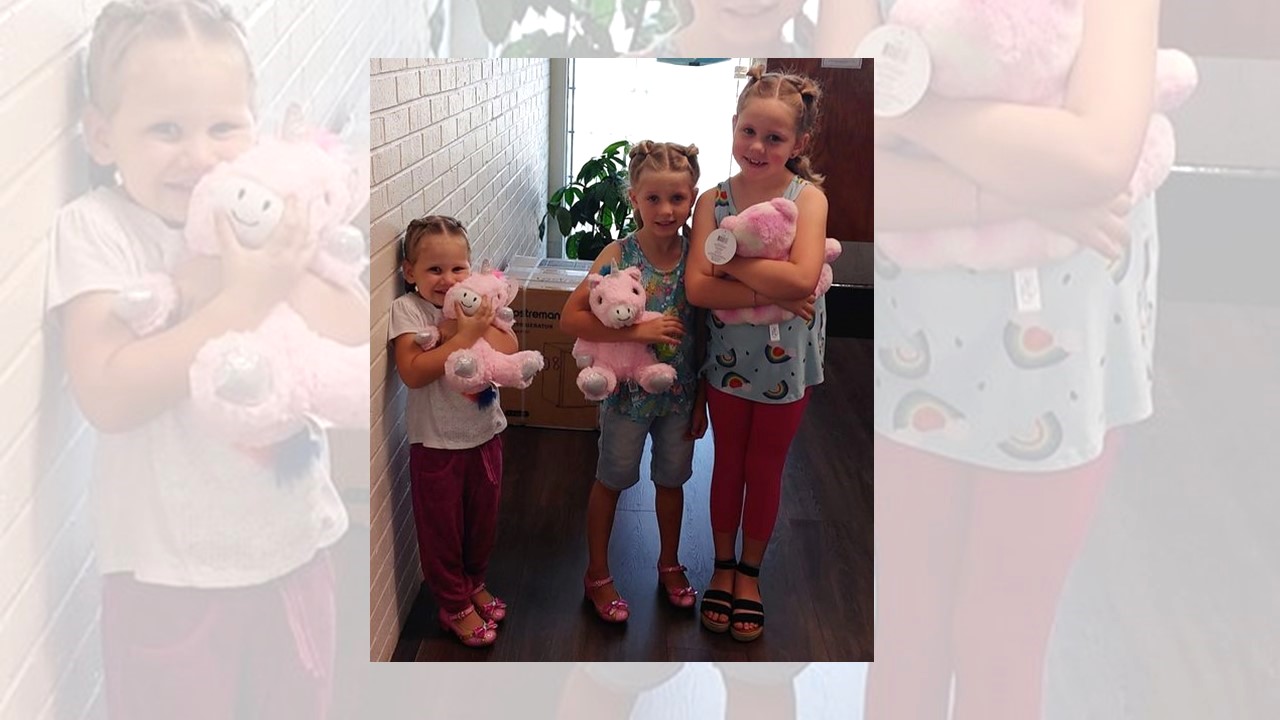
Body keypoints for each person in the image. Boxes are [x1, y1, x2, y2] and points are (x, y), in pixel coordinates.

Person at [44, 0, 366, 716]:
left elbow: (353, 332)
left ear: (254, 125)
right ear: (101, 135)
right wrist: (241, 295)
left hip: (294, 550)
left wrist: (277, 271)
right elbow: (108, 393)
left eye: (223, 127)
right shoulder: (99, 231)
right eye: (166, 129)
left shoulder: (268, 212)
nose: (199, 155)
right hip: (168, 580)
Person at [855, 0, 1162, 717]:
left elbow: (1097, 159)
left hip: (1061, 361)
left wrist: (906, 108)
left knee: (1002, 640)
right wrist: (1023, 187)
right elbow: (839, 156)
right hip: (903, 351)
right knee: (903, 634)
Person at [685, 64, 828, 642]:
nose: (758, 147)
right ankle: (722, 564)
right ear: (733, 126)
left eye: (774, 137)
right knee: (728, 462)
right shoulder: (712, 200)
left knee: (765, 467)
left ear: (799, 143)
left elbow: (802, 279)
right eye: (749, 131)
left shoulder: (808, 199)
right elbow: (698, 289)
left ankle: (749, 573)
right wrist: (770, 288)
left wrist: (729, 261)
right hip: (726, 361)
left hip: (787, 363)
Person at [560, 140, 709, 623]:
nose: (666, 210)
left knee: (672, 480)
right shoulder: (618, 254)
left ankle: (669, 563)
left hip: (680, 396)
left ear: (693, 197)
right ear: (634, 199)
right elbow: (570, 318)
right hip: (626, 398)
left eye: (677, 198)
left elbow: (706, 330)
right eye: (653, 199)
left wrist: (702, 400)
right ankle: (597, 573)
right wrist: (638, 331)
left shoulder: (698, 257)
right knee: (613, 478)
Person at [387, 214, 518, 648]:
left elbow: (510, 348)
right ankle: (453, 603)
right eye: (434, 269)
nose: (447, 280)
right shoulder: (408, 310)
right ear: (410, 272)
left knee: (481, 523)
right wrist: (463, 335)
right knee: (442, 530)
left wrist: (476, 325)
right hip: (437, 445)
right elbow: (413, 371)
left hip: (485, 434)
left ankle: (473, 582)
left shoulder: (475, 302)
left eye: (457, 268)